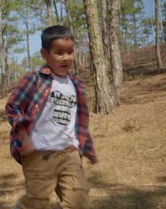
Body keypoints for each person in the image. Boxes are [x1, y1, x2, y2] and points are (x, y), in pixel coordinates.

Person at [5, 25, 98, 209]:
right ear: (45, 54)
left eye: (70, 52)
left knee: (80, 201)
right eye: (59, 53)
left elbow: (78, 121)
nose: (66, 58)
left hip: (69, 153)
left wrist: (87, 147)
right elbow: (13, 107)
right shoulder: (35, 80)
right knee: (37, 202)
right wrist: (24, 138)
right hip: (39, 153)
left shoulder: (77, 85)